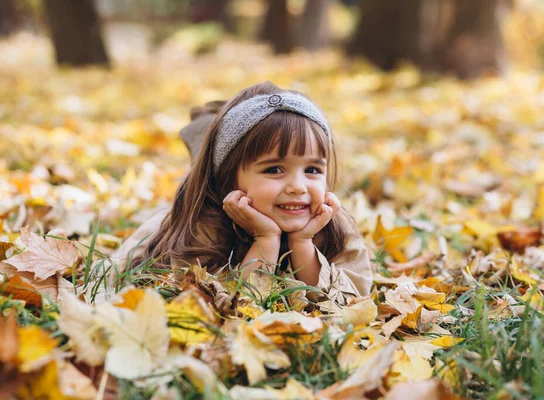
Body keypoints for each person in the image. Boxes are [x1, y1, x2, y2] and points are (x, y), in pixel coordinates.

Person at [111, 81, 373, 305]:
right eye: (274, 169)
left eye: (312, 169)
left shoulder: (333, 224)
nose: (298, 186)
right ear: (228, 179)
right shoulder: (197, 227)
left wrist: (303, 243)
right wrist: (266, 239)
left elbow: (351, 301)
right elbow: (236, 305)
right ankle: (205, 135)